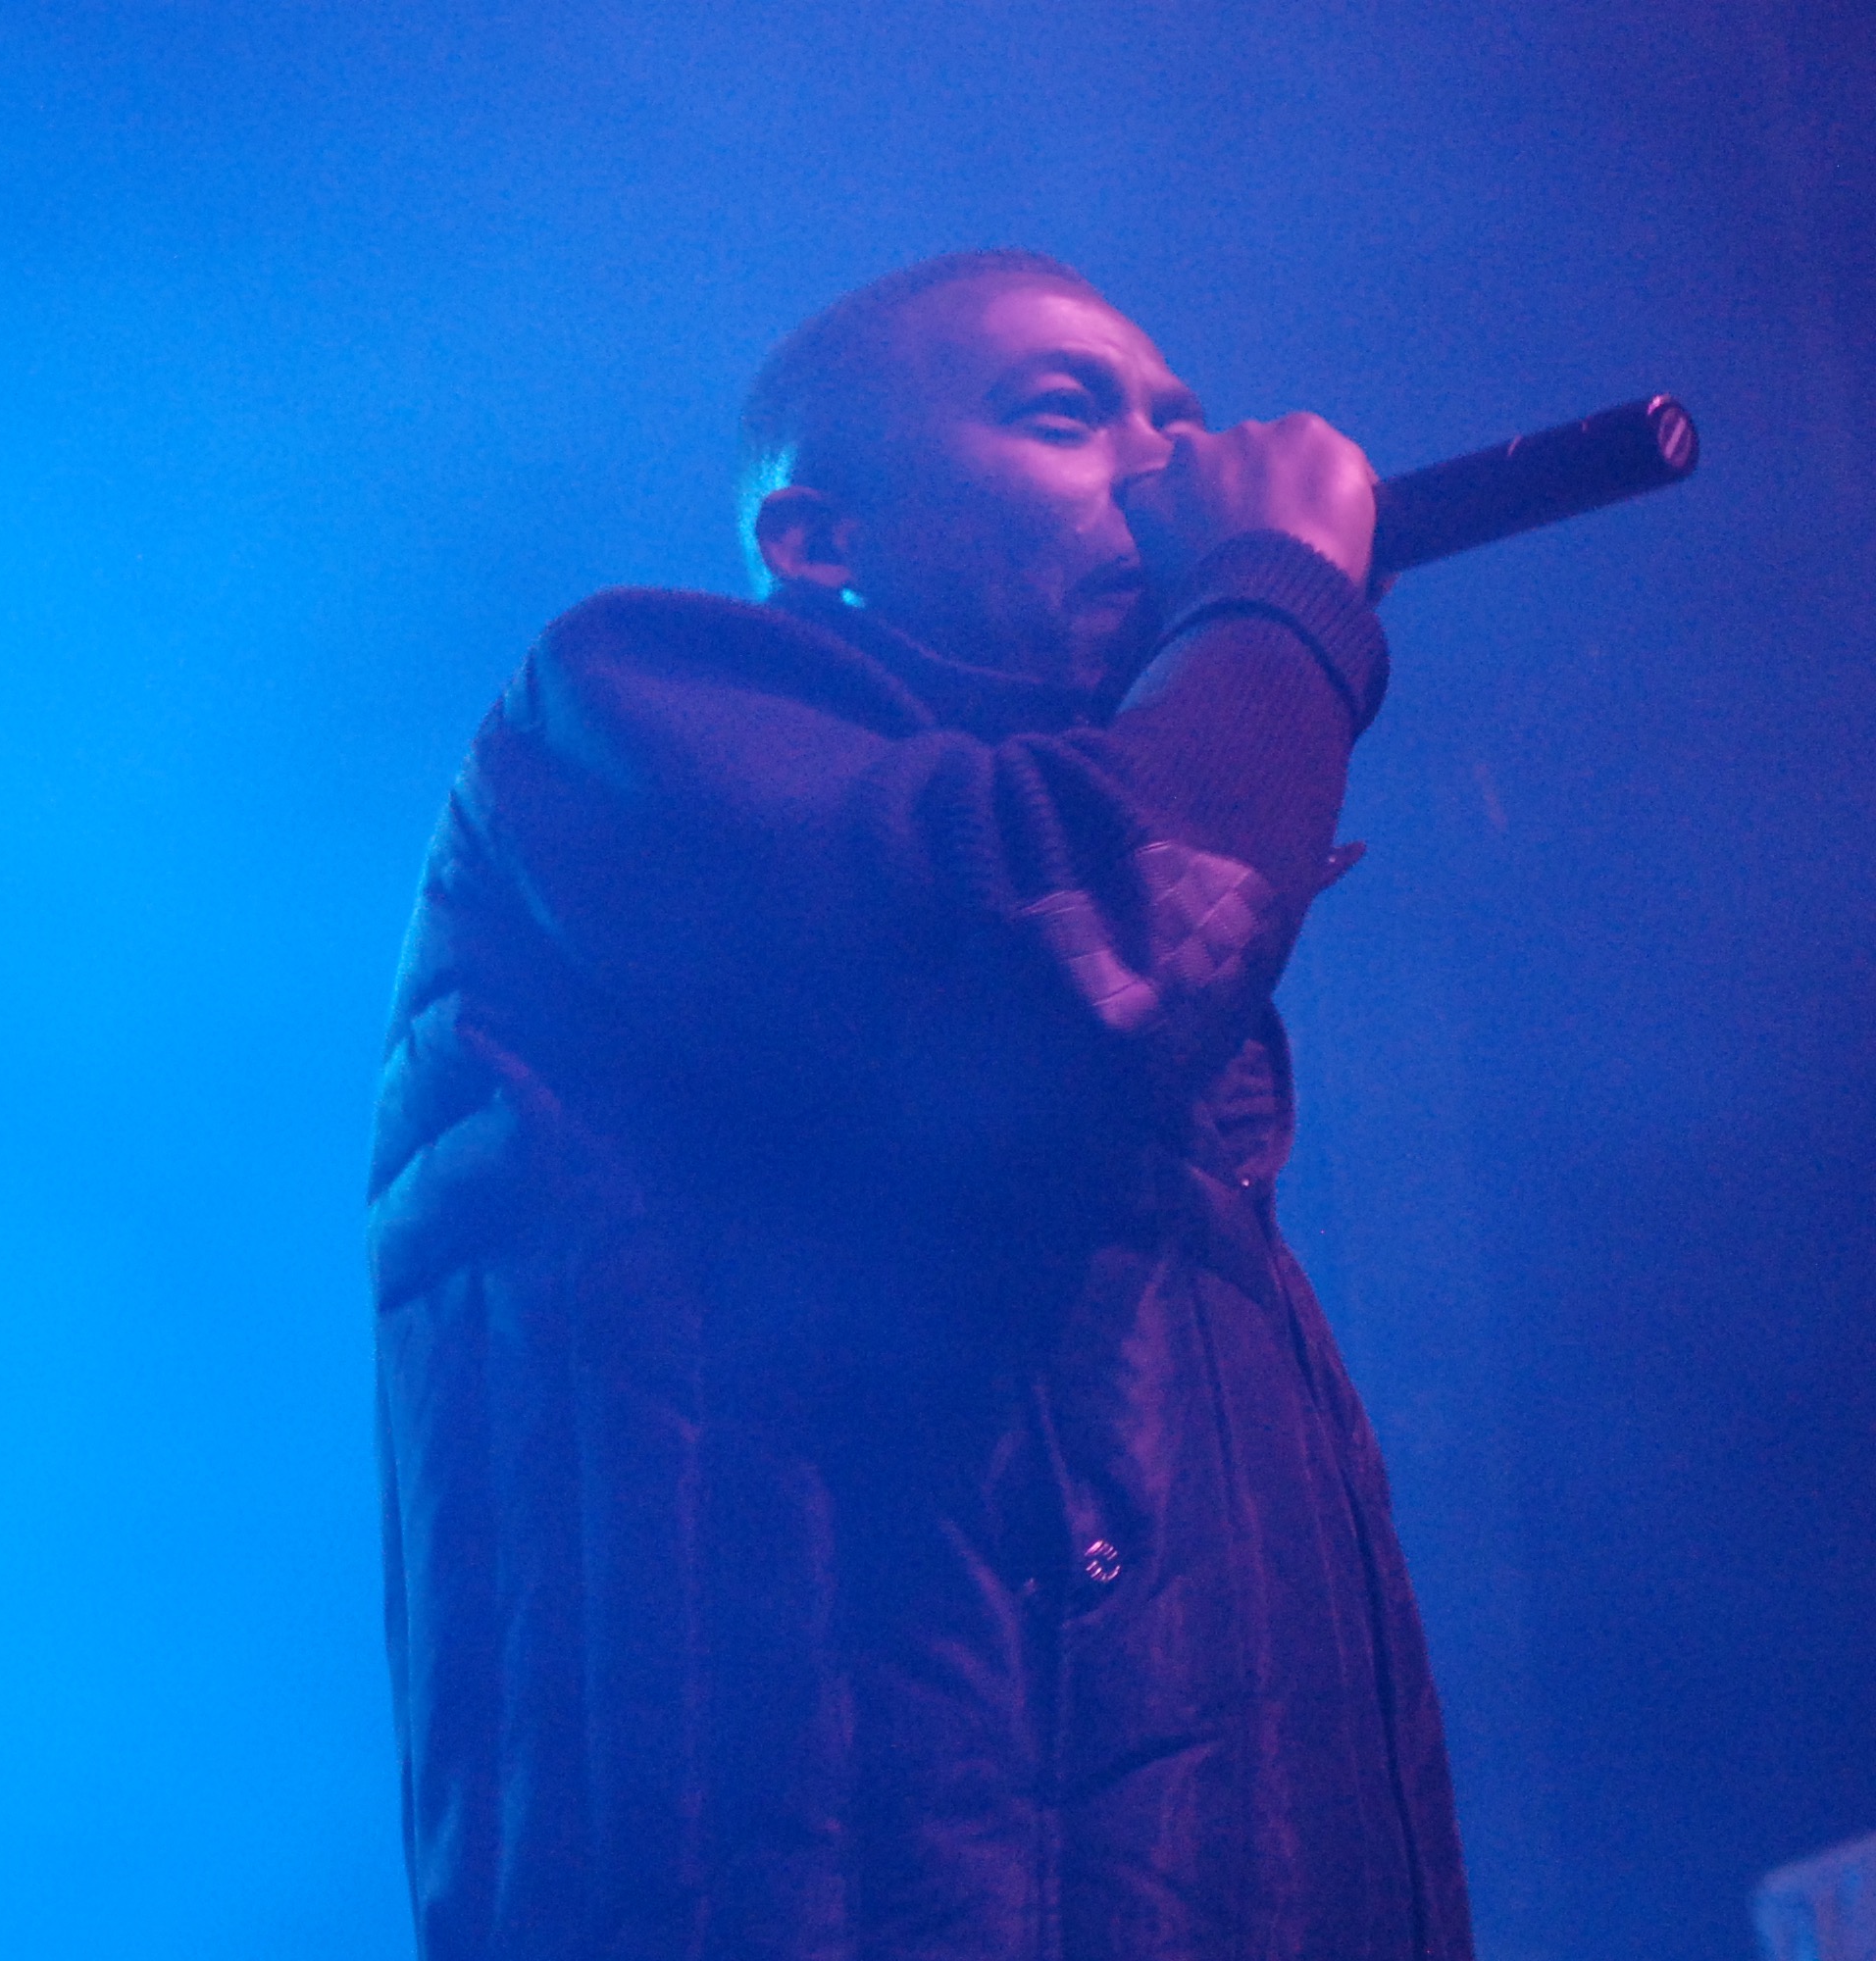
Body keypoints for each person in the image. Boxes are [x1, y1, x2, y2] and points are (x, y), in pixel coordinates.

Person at [365, 251, 1475, 1961]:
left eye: (1180, 418)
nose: (1172, 461)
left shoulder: (1128, 960)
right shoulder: (624, 708)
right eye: (1066, 412)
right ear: (821, 539)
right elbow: (1090, 951)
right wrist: (1274, 606)